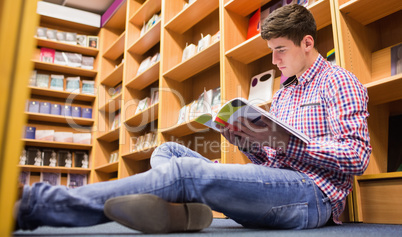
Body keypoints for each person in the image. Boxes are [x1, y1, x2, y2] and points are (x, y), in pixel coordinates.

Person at [14, 4, 371, 233]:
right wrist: (244, 138)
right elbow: (270, 161)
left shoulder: (339, 81)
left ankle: (38, 204)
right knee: (170, 152)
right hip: (280, 185)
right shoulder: (285, 92)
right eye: (271, 52)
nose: (275, 61)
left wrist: (290, 145)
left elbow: (358, 156)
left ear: (307, 43)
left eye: (280, 51)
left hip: (313, 197)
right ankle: (184, 213)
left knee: (185, 173)